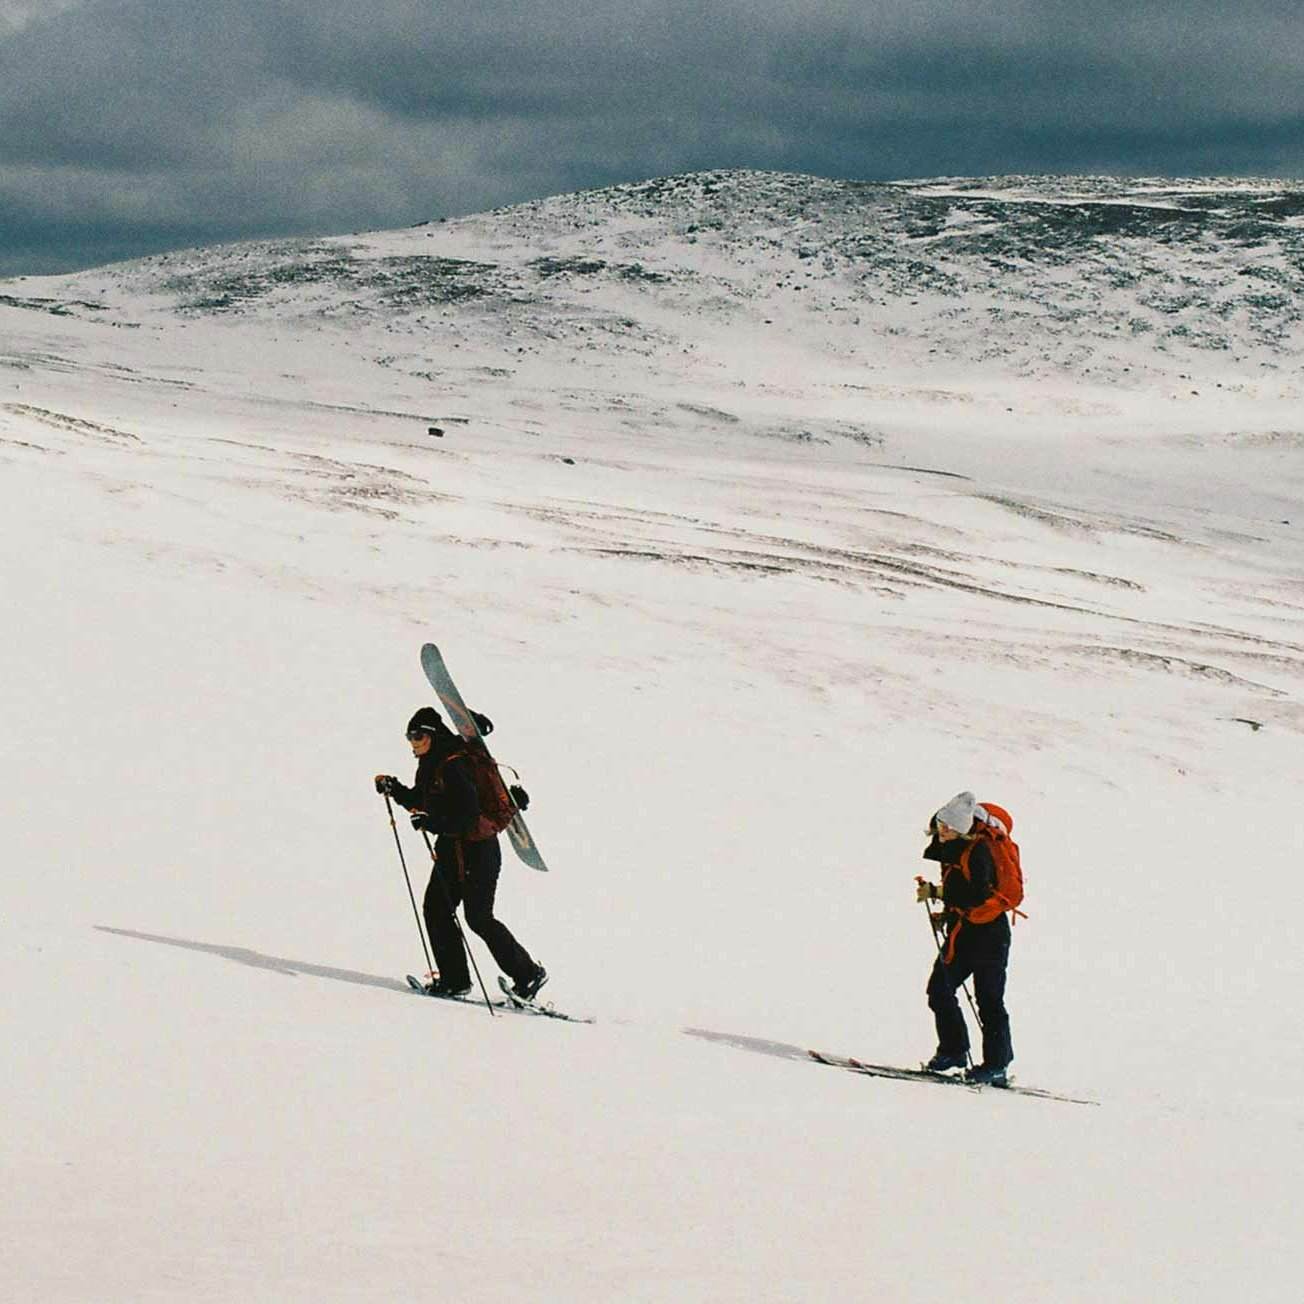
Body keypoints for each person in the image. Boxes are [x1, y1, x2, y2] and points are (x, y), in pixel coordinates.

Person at [375, 706, 547, 1001]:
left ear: (431, 735)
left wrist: (431, 822)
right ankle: (455, 980)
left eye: (417, 736)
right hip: (452, 847)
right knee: (437, 909)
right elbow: (422, 798)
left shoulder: (453, 765)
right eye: (409, 737)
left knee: (479, 917)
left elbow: (467, 818)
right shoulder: (431, 762)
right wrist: (396, 789)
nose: (412, 743)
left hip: (478, 849)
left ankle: (529, 975)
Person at [915, 791, 1013, 1085]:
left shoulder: (978, 851)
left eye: (950, 828)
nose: (943, 832)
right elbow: (963, 892)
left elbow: (978, 894)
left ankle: (996, 1065)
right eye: (942, 825)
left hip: (990, 934)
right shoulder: (951, 850)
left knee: (989, 1000)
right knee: (940, 990)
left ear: (962, 829)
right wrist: (946, 913)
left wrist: (938, 893)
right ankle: (954, 1051)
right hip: (964, 931)